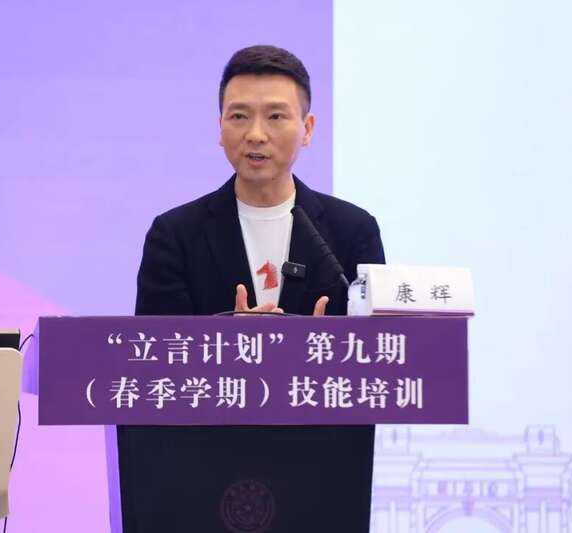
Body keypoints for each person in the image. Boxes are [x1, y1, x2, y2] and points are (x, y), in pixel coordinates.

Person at [118, 45, 385, 532]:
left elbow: (377, 362)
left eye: (276, 116)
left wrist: (319, 349)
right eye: (239, 116)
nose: (255, 134)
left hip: (320, 474)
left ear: (307, 129)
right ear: (220, 127)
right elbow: (152, 362)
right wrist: (228, 345)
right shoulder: (175, 233)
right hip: (200, 475)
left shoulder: (351, 231)